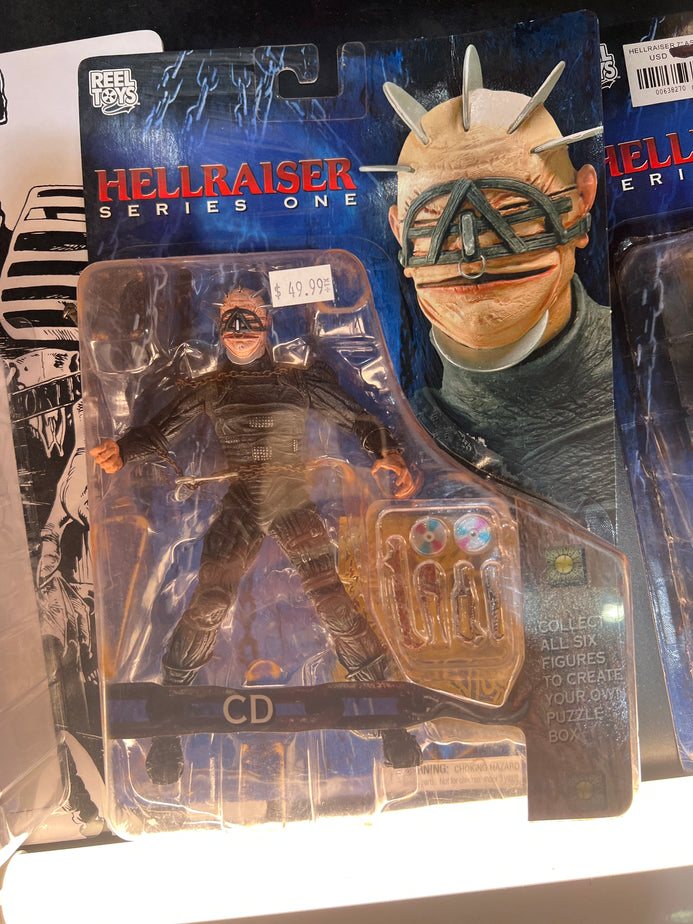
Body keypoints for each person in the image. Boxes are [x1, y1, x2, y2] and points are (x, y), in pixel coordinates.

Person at [92, 286, 422, 782]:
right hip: (244, 500)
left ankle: (389, 716)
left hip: (289, 496)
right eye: (229, 320)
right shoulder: (212, 388)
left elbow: (354, 416)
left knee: (332, 600)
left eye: (247, 318)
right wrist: (122, 450)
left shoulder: (297, 381)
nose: (238, 330)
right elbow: (162, 430)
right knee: (209, 602)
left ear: (267, 324)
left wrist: (387, 451)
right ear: (218, 327)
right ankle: (169, 723)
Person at [373, 49, 615, 534]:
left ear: (581, 201)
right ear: (400, 232)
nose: (471, 259)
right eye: (433, 222)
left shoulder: (650, 365)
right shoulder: (406, 439)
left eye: (512, 213)